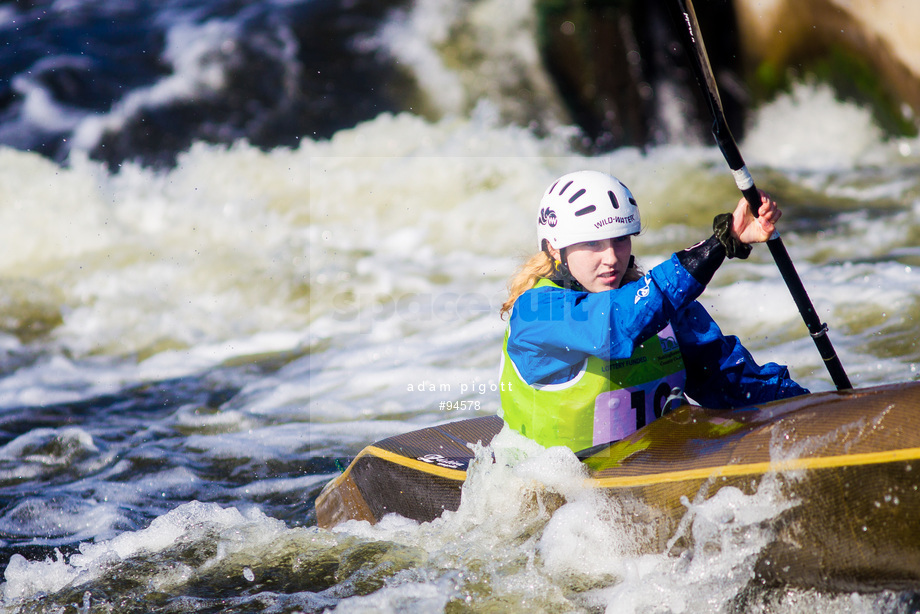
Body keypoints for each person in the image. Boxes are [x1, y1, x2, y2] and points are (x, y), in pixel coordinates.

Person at [498, 170, 808, 453]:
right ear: (555, 248)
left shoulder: (662, 311)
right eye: (592, 244)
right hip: (555, 492)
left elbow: (734, 384)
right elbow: (614, 325)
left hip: (649, 469)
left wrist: (815, 410)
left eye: (620, 240)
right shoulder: (535, 313)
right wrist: (719, 245)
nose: (611, 258)